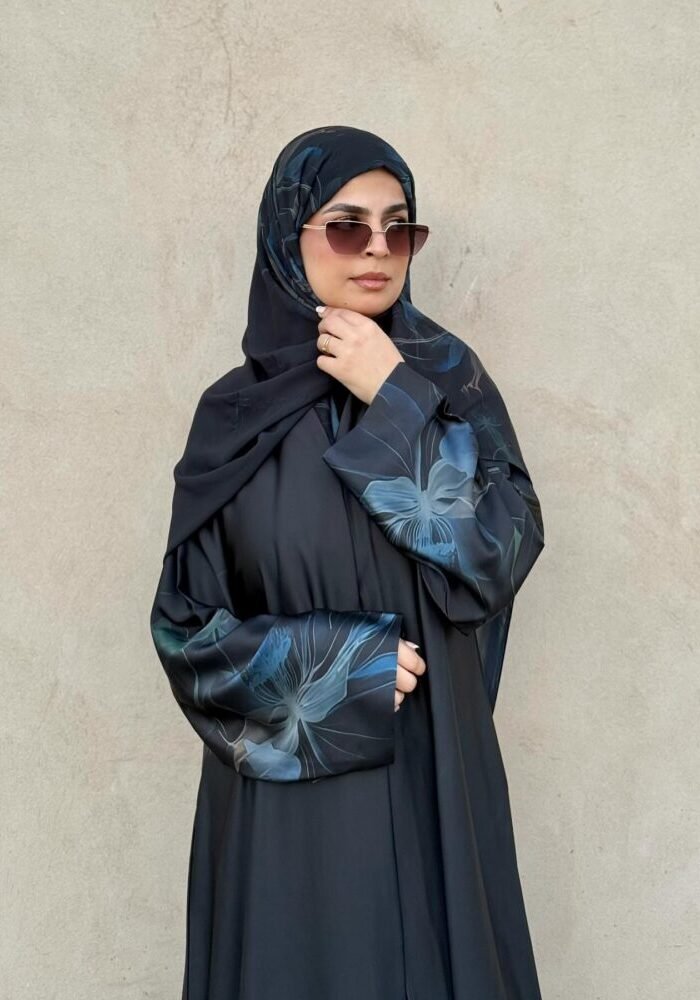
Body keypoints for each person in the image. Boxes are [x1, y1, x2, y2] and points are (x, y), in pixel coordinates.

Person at [149, 124, 546, 1000]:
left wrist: (395, 399)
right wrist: (344, 669)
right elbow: (185, 633)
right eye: (346, 226)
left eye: (399, 229)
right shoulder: (233, 418)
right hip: (289, 813)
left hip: (435, 777)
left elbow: (499, 552)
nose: (376, 250)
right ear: (286, 239)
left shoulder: (447, 385)